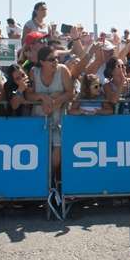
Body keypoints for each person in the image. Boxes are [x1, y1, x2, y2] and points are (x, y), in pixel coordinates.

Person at [25, 45, 74, 181]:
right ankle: (38, 181)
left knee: (58, 148)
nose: (55, 61)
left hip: (59, 118)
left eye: (57, 58)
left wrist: (54, 101)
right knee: (39, 150)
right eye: (51, 59)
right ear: (42, 62)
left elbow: (71, 93)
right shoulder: (34, 72)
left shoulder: (63, 70)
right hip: (39, 118)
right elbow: (28, 95)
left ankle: (48, 180)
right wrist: (42, 97)